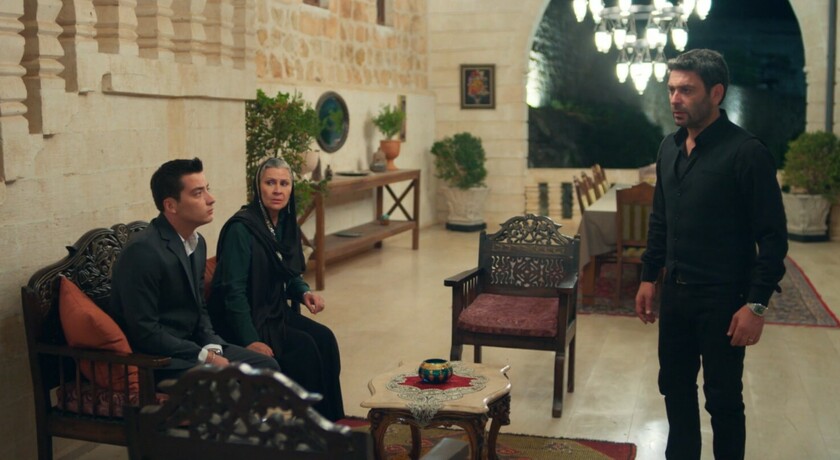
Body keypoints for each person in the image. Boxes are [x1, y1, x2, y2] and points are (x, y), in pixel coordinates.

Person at [634, 49, 788, 460]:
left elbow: (773, 239)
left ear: (716, 93)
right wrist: (649, 276)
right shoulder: (669, 148)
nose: (675, 99)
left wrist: (756, 305)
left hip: (723, 300)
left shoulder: (747, 152)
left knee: (723, 401)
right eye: (671, 89)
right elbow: (660, 221)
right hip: (676, 297)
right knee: (675, 388)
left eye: (687, 90)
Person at [109, 158, 280, 382]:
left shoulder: (197, 243)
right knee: (226, 381)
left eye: (207, 189)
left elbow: (200, 309)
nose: (211, 199)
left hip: (193, 348)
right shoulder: (143, 252)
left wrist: (212, 346)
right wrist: (206, 357)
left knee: (266, 366)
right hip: (159, 360)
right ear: (171, 205)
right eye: (198, 193)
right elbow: (145, 332)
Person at [208, 157, 344, 421]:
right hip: (245, 319)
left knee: (325, 339)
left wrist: (304, 292)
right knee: (305, 348)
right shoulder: (241, 229)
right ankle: (310, 426)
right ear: (258, 187)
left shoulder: (285, 224)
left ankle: (333, 421)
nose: (277, 190)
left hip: (273, 311)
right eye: (270, 183)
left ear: (291, 188)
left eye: (284, 183)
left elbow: (288, 271)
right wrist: (249, 340)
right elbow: (232, 292)